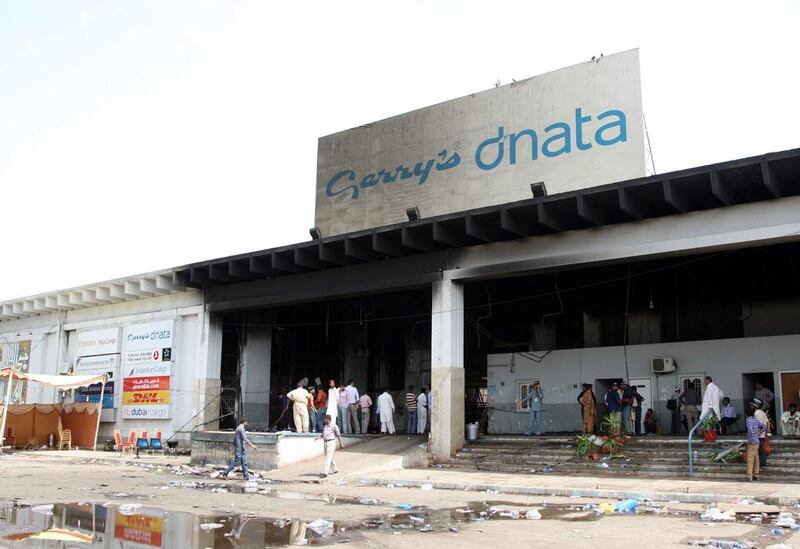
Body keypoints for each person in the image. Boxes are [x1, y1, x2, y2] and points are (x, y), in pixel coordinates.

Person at [745, 406, 765, 481]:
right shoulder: (755, 419)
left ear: (746, 414)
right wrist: (758, 433)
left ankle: (749, 476)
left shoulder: (748, 420)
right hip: (757, 441)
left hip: (752, 441)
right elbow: (764, 426)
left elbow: (750, 430)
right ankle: (756, 474)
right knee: (756, 458)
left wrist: (750, 439)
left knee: (750, 459)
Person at [752, 398, 770, 468]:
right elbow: (767, 422)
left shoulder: (757, 413)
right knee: (761, 449)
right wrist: (767, 432)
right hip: (761, 435)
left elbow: (759, 425)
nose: (751, 406)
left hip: (758, 435)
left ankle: (762, 464)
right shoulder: (762, 412)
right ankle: (762, 464)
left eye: (752, 404)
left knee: (760, 450)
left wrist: (756, 434)